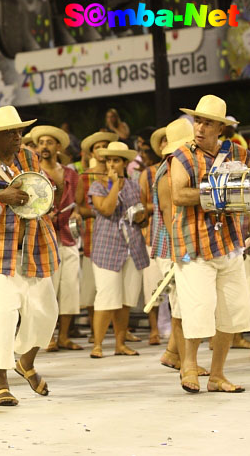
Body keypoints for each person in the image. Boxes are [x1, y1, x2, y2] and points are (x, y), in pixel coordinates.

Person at [0, 106, 59, 406]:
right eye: (11, 132)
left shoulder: (28, 157)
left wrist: (46, 200)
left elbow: (41, 189)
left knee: (47, 311)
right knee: (4, 314)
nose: (18, 137)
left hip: (33, 244)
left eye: (19, 131)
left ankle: (26, 362)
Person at [171, 95, 250, 393]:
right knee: (198, 308)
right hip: (193, 243)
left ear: (221, 128)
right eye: (198, 121)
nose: (200, 127)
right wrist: (219, 194)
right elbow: (179, 195)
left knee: (232, 311)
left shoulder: (237, 152)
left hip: (230, 242)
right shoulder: (181, 155)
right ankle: (188, 367)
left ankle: (217, 375)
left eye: (207, 123)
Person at [149, 118, 209, 377]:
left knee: (182, 305)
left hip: (174, 245)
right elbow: (168, 213)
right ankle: (188, 364)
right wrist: (179, 251)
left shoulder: (171, 166)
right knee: (182, 308)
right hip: (171, 246)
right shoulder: (170, 171)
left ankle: (174, 354)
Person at [88, 142, 149, 359]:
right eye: (109, 160)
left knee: (125, 301)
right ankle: (97, 345)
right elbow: (106, 209)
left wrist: (142, 217)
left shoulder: (134, 186)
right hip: (107, 249)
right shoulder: (98, 186)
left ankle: (120, 343)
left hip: (132, 247)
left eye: (116, 160)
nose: (112, 164)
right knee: (106, 298)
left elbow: (141, 213)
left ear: (125, 163)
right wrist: (114, 184)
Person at [31, 126, 83, 351]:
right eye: (41, 142)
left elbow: (78, 203)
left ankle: (63, 336)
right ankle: (47, 337)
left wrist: (78, 212)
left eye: (49, 142)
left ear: (58, 147)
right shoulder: (35, 174)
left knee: (70, 287)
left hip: (68, 237)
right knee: (47, 290)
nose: (44, 146)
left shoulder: (71, 174)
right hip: (44, 238)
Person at [76, 132, 118, 340]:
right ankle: (95, 332)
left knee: (116, 287)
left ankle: (119, 331)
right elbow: (79, 207)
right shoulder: (84, 177)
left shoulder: (120, 176)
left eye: (106, 146)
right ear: (92, 152)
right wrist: (100, 209)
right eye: (98, 147)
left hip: (118, 237)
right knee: (93, 289)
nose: (102, 150)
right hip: (93, 236)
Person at [140, 128, 165, 346]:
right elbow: (140, 206)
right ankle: (154, 329)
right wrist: (159, 205)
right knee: (152, 286)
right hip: (153, 233)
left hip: (179, 235)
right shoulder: (148, 173)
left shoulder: (185, 169)